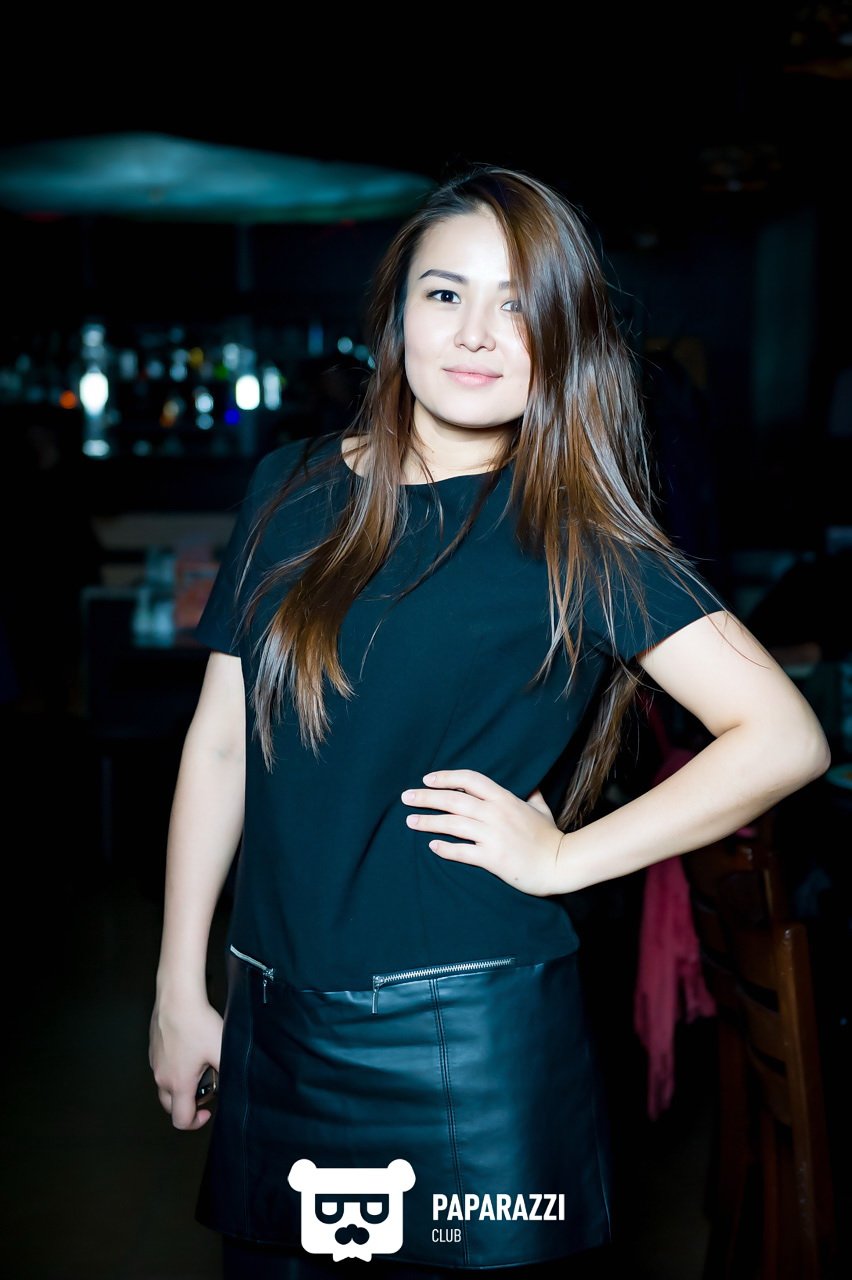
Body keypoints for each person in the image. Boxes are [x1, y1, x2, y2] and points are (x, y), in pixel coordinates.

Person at [148, 165, 831, 1279]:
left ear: (565, 338)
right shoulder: (289, 486)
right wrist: (181, 986)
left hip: (471, 1039)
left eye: (518, 305)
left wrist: (566, 856)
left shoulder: (579, 534)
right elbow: (222, 741)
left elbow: (784, 735)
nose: (475, 333)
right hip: (277, 1020)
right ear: (396, 315)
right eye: (444, 293)